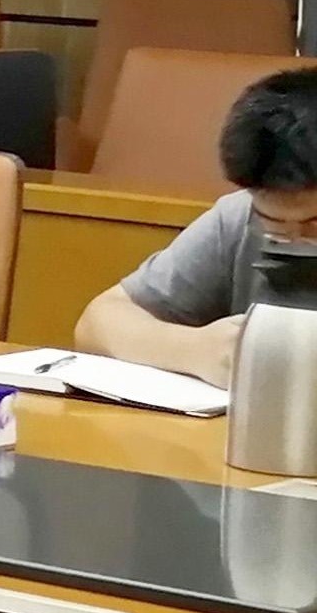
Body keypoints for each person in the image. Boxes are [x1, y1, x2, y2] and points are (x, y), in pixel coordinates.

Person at [79, 63, 317, 387]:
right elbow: (98, 322)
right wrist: (196, 349)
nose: (296, 240)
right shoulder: (239, 218)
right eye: (275, 225)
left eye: (313, 224)